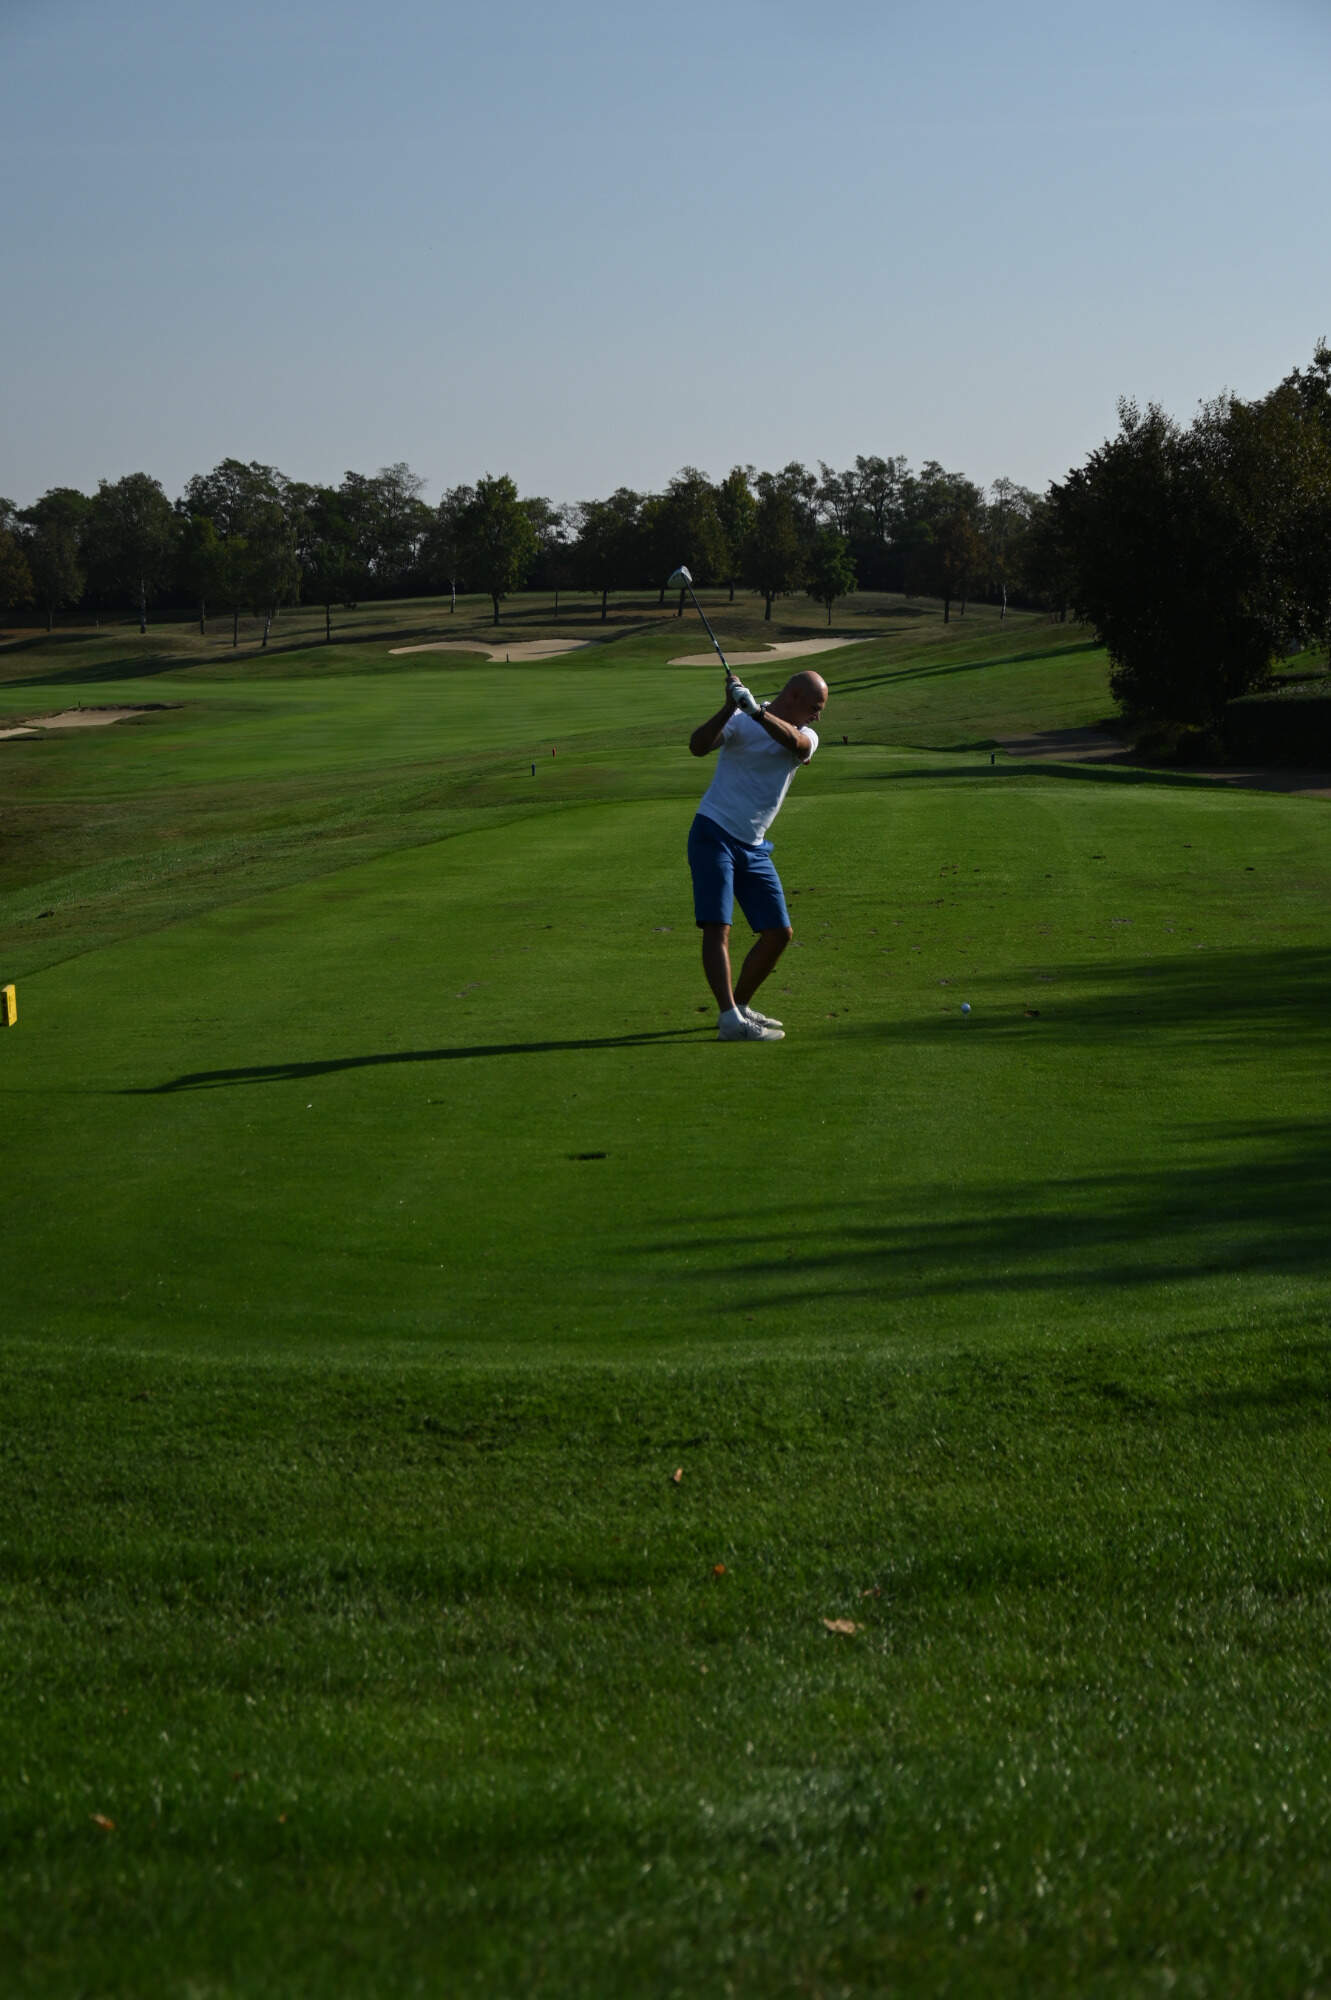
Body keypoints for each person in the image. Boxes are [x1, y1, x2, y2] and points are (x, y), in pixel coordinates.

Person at [686, 668, 828, 1042]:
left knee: (778, 933)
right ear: (794, 696)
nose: (818, 716)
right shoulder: (738, 718)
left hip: (754, 845)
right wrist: (728, 707)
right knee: (718, 926)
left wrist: (757, 713)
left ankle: (739, 1006)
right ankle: (729, 1019)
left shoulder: (806, 734)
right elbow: (697, 747)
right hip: (713, 833)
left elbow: (796, 745)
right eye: (815, 707)